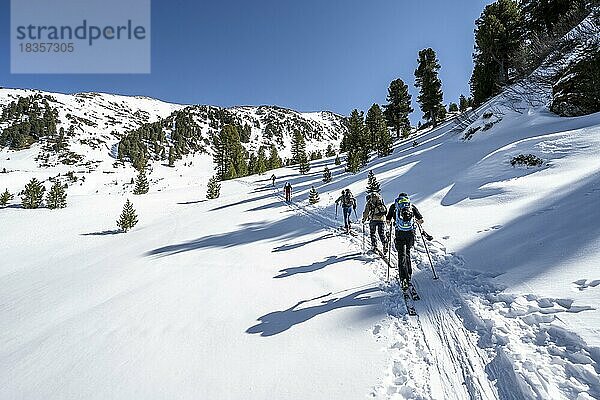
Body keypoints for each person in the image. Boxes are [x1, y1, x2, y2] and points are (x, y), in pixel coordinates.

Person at [385, 192, 424, 289]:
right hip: (410, 233)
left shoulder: (394, 206)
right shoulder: (411, 206)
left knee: (401, 255)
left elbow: (388, 220)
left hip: (400, 233)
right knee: (407, 253)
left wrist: (391, 222)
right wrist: (416, 221)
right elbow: (421, 220)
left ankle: (403, 279)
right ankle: (409, 274)